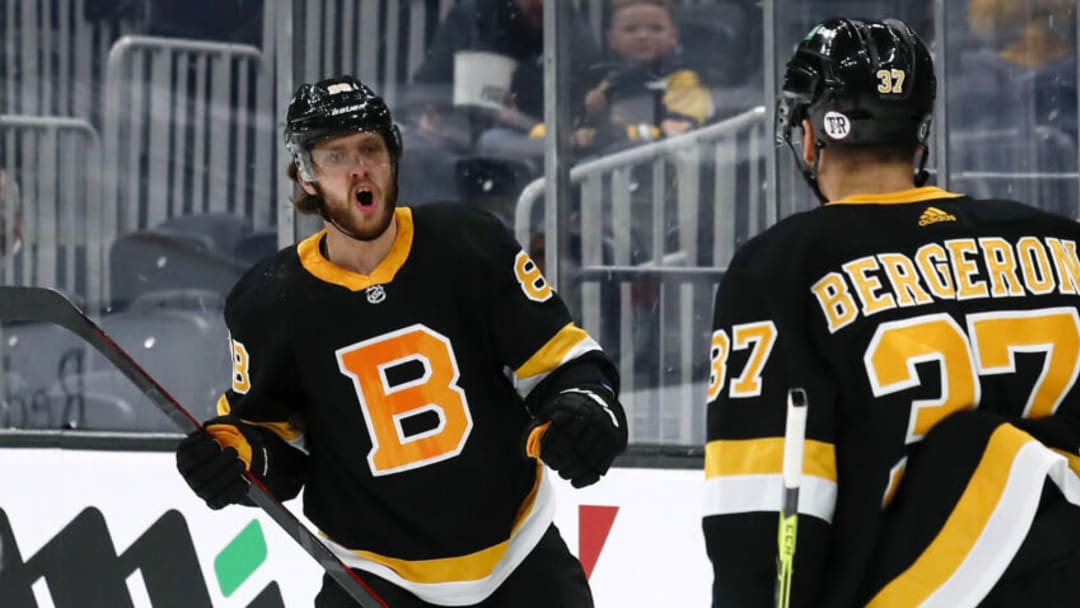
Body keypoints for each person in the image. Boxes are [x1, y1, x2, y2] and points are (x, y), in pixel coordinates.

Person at [174, 75, 627, 608]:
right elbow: (274, 443)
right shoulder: (268, 301)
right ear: (304, 176)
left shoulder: (470, 246)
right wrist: (235, 460)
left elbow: (563, 365)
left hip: (519, 560)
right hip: (370, 578)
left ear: (394, 157)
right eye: (335, 155)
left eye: (371, 148)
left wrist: (585, 409)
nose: (359, 167)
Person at [704, 17, 1080, 608]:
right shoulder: (1064, 243)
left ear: (808, 135)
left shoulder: (785, 265)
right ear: (920, 135)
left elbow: (766, 500)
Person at [572, 0, 712, 152]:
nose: (643, 36)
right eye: (631, 29)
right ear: (612, 39)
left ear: (673, 36)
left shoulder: (685, 81)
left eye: (656, 29)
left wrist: (601, 136)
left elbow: (679, 130)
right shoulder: (610, 80)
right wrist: (596, 113)